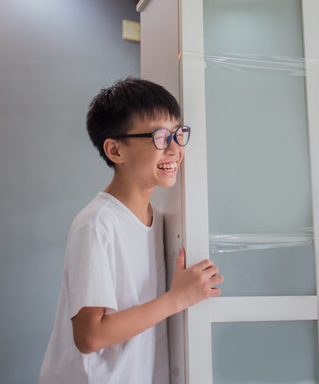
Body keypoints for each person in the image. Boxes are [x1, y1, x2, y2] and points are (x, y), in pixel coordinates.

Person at [38, 78, 223, 384]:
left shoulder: (163, 222)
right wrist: (178, 298)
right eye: (161, 137)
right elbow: (90, 336)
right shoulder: (97, 224)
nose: (175, 149)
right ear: (115, 150)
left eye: (178, 134)